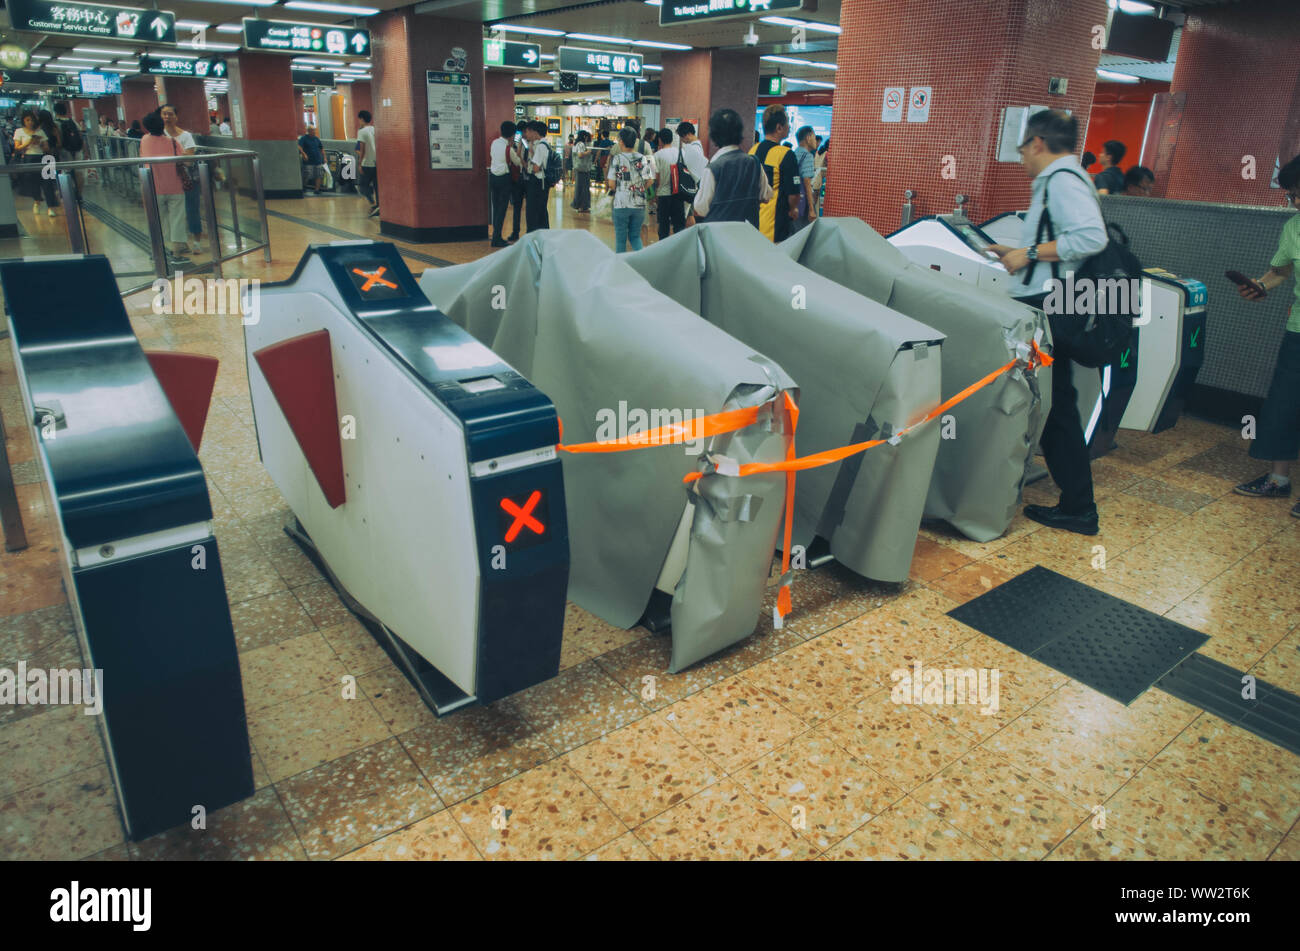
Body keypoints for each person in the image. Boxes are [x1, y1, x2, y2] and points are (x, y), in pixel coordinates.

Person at [986, 109, 1109, 535]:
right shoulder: (1060, 180)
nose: (1020, 157)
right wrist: (1016, 252)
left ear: (1038, 142)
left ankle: (1079, 507)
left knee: (1056, 409)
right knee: (1055, 406)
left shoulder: (1061, 180)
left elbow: (1093, 237)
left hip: (1049, 307)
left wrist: (1031, 254)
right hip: (1047, 300)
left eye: (1022, 147)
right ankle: (1076, 503)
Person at [1233, 155, 1300, 518]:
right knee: (1284, 405)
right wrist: (1259, 285)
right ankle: (1278, 479)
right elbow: (1281, 270)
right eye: (1292, 195)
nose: (1297, 201)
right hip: (1299, 330)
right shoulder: (1293, 228)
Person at [692, 108, 771, 227]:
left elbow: (701, 209)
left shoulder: (713, 168)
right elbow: (766, 196)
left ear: (714, 134)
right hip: (748, 234)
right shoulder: (754, 163)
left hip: (718, 237)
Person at [140, 110, 191, 267]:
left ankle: (157, 252)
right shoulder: (172, 142)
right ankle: (176, 254)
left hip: (153, 187)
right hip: (175, 186)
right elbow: (186, 161)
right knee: (177, 220)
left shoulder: (144, 140)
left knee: (157, 220)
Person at [750, 105, 802, 242]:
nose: (789, 127)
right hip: (774, 228)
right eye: (787, 124)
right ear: (779, 127)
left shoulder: (752, 150)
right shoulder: (786, 154)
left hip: (751, 225)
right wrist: (793, 209)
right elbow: (794, 194)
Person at [160, 104, 204, 255]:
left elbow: (189, 159)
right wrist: (180, 156)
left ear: (176, 117)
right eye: (164, 114)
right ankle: (180, 242)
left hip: (187, 179)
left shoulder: (185, 136)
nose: (167, 117)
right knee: (173, 213)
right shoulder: (158, 135)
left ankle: (197, 241)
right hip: (168, 180)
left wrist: (173, 157)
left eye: (170, 114)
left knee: (192, 210)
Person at [606, 125, 655, 253]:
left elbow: (611, 184)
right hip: (639, 203)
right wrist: (640, 188)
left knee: (621, 239)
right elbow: (650, 180)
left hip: (621, 203)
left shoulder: (617, 159)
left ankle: (621, 267)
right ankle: (641, 262)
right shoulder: (642, 158)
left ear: (621, 141)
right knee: (635, 236)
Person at [13, 110, 59, 217]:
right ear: (23, 121)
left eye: (32, 120)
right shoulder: (19, 131)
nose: (30, 122)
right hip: (29, 158)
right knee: (33, 182)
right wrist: (28, 142)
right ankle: (37, 201)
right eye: (27, 120)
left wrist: (41, 144)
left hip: (42, 157)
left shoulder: (40, 132)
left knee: (47, 183)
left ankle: (50, 207)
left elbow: (47, 148)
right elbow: (17, 148)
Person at [653, 128, 686, 240]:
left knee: (664, 225)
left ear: (660, 140)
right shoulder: (680, 152)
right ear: (672, 139)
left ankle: (664, 249)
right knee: (679, 225)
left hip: (663, 195)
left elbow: (656, 178)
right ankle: (678, 248)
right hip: (679, 193)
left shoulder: (657, 155)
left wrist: (655, 194)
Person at [488, 120, 517, 247]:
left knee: (496, 208)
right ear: (512, 135)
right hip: (504, 179)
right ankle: (496, 238)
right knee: (502, 209)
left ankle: (496, 235)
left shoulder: (494, 143)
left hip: (493, 177)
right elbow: (517, 163)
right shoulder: (508, 149)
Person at [675, 121, 707, 225]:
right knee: (690, 214)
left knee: (688, 214)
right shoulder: (698, 145)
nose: (682, 141)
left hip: (690, 186)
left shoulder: (691, 148)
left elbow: (692, 168)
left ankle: (690, 236)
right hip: (695, 186)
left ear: (688, 134)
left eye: (682, 137)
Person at [524, 120, 551, 231]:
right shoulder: (546, 144)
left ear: (534, 132)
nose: (526, 134)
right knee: (541, 210)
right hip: (544, 182)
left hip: (538, 182)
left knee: (533, 212)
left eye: (527, 131)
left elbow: (535, 168)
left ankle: (533, 236)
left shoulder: (540, 146)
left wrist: (532, 164)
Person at [792, 124, 819, 230]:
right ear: (808, 138)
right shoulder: (807, 156)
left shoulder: (793, 153)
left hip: (792, 200)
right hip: (803, 202)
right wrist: (811, 209)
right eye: (814, 137)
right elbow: (807, 183)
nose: (815, 141)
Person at [356, 110, 379, 217]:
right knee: (377, 185)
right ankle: (378, 205)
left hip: (367, 163)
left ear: (361, 119)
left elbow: (362, 149)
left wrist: (359, 163)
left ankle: (373, 203)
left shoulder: (361, 131)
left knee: (362, 186)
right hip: (377, 163)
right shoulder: (375, 129)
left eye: (359, 119)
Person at [298, 124, 327, 194]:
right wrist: (303, 154)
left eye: (314, 130)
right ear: (309, 131)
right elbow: (299, 146)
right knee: (307, 175)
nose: (314, 131)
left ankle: (317, 189)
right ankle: (304, 187)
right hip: (308, 161)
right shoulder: (304, 138)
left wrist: (325, 157)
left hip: (318, 160)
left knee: (319, 175)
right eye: (313, 130)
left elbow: (321, 148)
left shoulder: (316, 139)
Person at [571, 129, 593, 213]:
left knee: (579, 187)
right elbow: (580, 155)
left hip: (578, 168)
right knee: (583, 188)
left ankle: (579, 205)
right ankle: (582, 206)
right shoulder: (581, 144)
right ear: (584, 136)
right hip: (583, 169)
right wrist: (588, 152)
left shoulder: (576, 144)